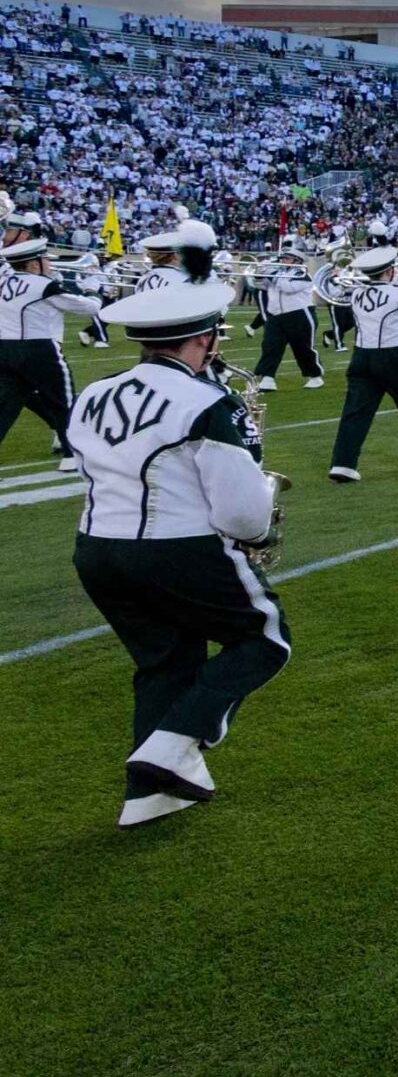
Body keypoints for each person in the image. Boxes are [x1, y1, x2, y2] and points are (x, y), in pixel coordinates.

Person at [68, 224, 288, 828]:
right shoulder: (207, 402)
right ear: (205, 337)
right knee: (265, 639)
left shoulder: (92, 392)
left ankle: (149, 794)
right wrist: (262, 512)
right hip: (177, 548)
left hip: (95, 547)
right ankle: (168, 749)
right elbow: (241, 513)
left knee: (165, 661)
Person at [325, 240, 398, 482]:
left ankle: (343, 463)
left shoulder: (356, 293)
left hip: (360, 356)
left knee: (354, 413)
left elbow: (335, 294)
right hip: (392, 357)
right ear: (389, 271)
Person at [1, 219, 102, 471]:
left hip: (5, 349)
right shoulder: (43, 284)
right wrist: (93, 291)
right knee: (62, 400)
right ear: (34, 263)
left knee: (6, 406)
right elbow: (86, 307)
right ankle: (71, 455)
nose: (49, 263)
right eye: (45, 259)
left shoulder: (2, 282)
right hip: (40, 349)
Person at [248, 251, 325, 391]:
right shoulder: (279, 272)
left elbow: (288, 288)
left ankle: (315, 376)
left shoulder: (302, 274)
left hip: (299, 314)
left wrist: (272, 273)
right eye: (283, 257)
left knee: (303, 348)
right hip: (275, 315)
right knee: (270, 346)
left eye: (287, 258)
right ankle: (267, 378)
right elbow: (259, 285)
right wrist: (259, 273)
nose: (283, 260)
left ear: (296, 261)